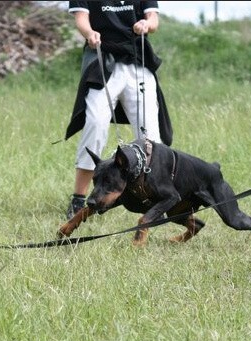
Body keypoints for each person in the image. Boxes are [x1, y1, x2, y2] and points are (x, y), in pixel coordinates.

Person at [64, 1, 173, 220]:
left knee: (150, 135)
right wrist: (89, 33)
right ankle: (78, 198)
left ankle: (153, 196)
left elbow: (153, 19)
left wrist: (146, 24)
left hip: (137, 60)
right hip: (102, 59)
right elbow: (81, 19)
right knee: (94, 124)